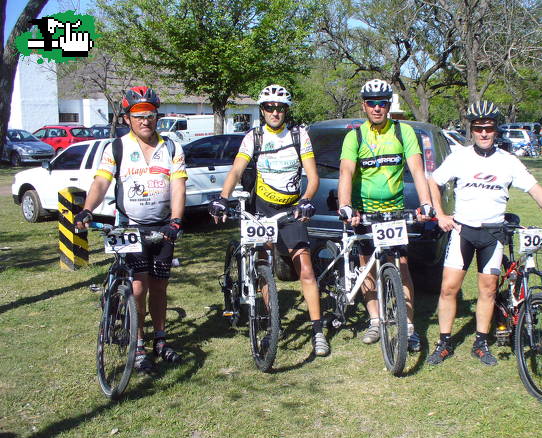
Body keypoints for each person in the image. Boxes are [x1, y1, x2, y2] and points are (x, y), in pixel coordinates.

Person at [426, 100, 542, 366]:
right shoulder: (459, 156)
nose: (484, 133)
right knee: (449, 288)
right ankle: (445, 342)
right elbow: (433, 181)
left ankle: (481, 343)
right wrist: (440, 214)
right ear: (471, 130)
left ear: (497, 130)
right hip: (463, 231)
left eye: (489, 128)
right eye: (478, 128)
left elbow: (535, 189)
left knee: (488, 289)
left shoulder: (508, 161)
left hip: (494, 234)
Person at [208, 84, 329, 357]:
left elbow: (313, 176)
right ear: (262, 110)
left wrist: (307, 198)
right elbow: (236, 170)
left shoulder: (300, 136)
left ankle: (317, 330)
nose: (275, 112)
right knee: (263, 262)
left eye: (280, 108)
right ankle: (274, 321)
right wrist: (222, 197)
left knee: (306, 269)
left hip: (290, 211)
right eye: (269, 107)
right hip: (262, 209)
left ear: (286, 110)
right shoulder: (253, 137)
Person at [74, 86, 187, 374]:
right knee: (138, 286)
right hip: (129, 226)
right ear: (127, 118)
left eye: (150, 114)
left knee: (160, 286)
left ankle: (160, 340)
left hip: (162, 225)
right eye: (138, 115)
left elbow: (178, 185)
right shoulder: (116, 147)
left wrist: (176, 220)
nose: (145, 120)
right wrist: (87, 208)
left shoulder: (171, 147)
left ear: (157, 116)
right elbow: (101, 182)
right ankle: (137, 346)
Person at [337, 79, 434, 352]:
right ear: (363, 106)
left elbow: (418, 170)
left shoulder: (403, 132)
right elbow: (346, 172)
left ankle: (410, 328)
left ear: (389, 105)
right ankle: (376, 320)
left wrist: (426, 202)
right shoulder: (354, 136)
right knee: (366, 265)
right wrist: (346, 205)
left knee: (401, 267)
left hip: (394, 211)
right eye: (372, 103)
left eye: (382, 103)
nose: (377, 108)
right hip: (364, 211)